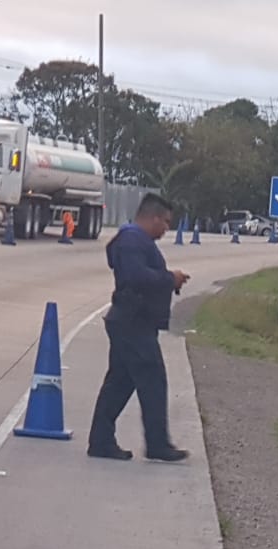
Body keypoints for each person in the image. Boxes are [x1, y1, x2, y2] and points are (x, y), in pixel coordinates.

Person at [87, 193, 192, 463]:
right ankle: (157, 444)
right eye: (166, 222)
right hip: (133, 322)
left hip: (131, 321)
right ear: (153, 218)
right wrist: (170, 278)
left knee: (120, 384)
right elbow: (135, 276)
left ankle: (100, 440)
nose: (167, 229)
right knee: (152, 381)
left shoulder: (133, 239)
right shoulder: (133, 239)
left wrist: (170, 282)